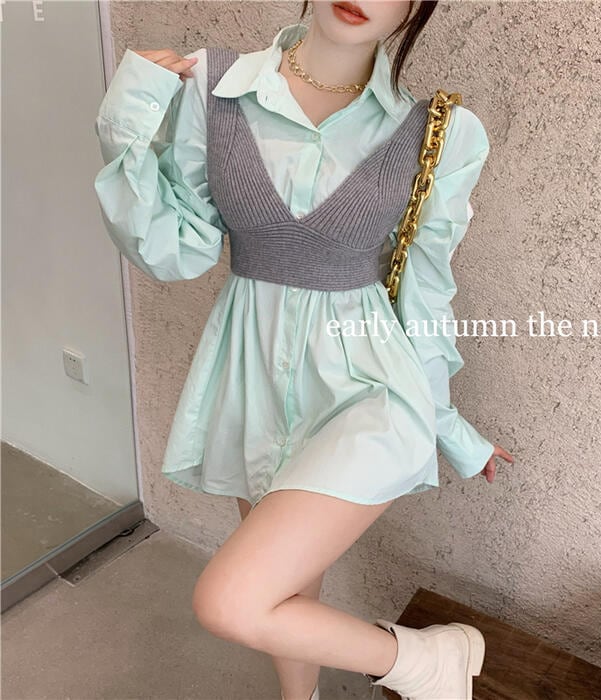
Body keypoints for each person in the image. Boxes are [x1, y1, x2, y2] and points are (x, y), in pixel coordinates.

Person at [93, 2, 514, 699]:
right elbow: (176, 252)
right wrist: (126, 121)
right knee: (284, 586)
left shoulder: (439, 130)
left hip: (370, 385)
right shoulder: (215, 90)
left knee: (229, 601)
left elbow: (426, 295)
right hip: (250, 375)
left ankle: (424, 659)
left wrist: (450, 428)